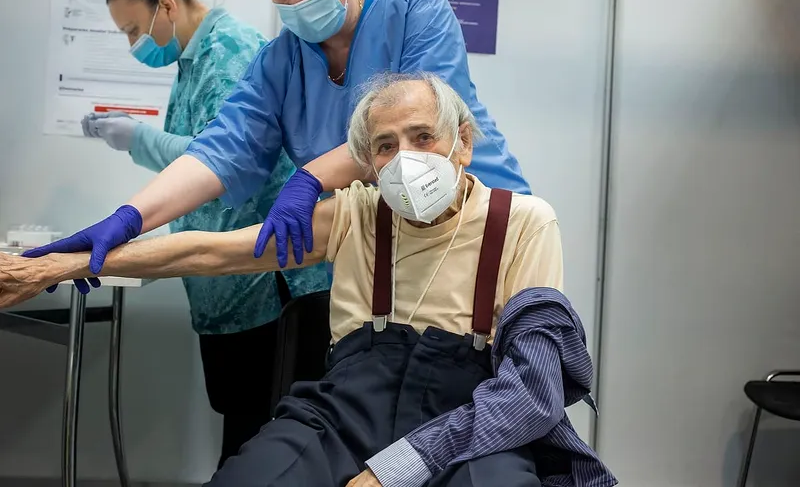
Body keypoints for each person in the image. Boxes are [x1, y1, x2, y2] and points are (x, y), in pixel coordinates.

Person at [3, 74, 617, 487]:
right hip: (347, 408)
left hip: (475, 418)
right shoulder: (352, 214)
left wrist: (395, 470)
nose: (406, 157)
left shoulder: (523, 222)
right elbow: (213, 253)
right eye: (384, 145)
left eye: (423, 137)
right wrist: (65, 263)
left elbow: (530, 393)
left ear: (462, 144)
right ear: (368, 163)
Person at [26, 0, 531, 279]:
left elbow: (419, 132)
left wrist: (309, 178)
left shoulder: (416, 9)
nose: (296, 4)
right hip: (386, 240)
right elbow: (221, 152)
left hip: (474, 218)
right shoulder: (280, 61)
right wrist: (129, 218)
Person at [72, 0, 330, 467]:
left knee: (265, 442)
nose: (133, 45)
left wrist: (137, 138)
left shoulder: (230, 51)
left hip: (268, 283)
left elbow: (225, 160)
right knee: (243, 433)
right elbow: (193, 155)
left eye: (134, 30)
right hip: (230, 288)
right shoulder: (191, 61)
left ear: (165, 5)